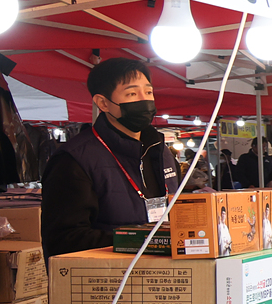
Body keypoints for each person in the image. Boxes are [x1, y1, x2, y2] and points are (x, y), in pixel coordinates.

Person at [41, 56, 177, 256]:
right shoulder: (74, 160)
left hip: (166, 275)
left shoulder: (161, 151)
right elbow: (64, 240)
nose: (145, 100)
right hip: (110, 279)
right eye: (131, 93)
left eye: (148, 92)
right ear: (103, 103)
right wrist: (145, 241)